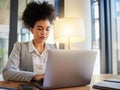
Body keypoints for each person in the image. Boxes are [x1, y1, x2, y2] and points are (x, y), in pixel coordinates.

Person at [2, 1, 56, 82]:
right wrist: (35, 76)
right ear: (32, 30)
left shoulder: (53, 48)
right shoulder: (20, 47)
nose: (44, 33)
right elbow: (7, 73)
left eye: (47, 29)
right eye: (40, 28)